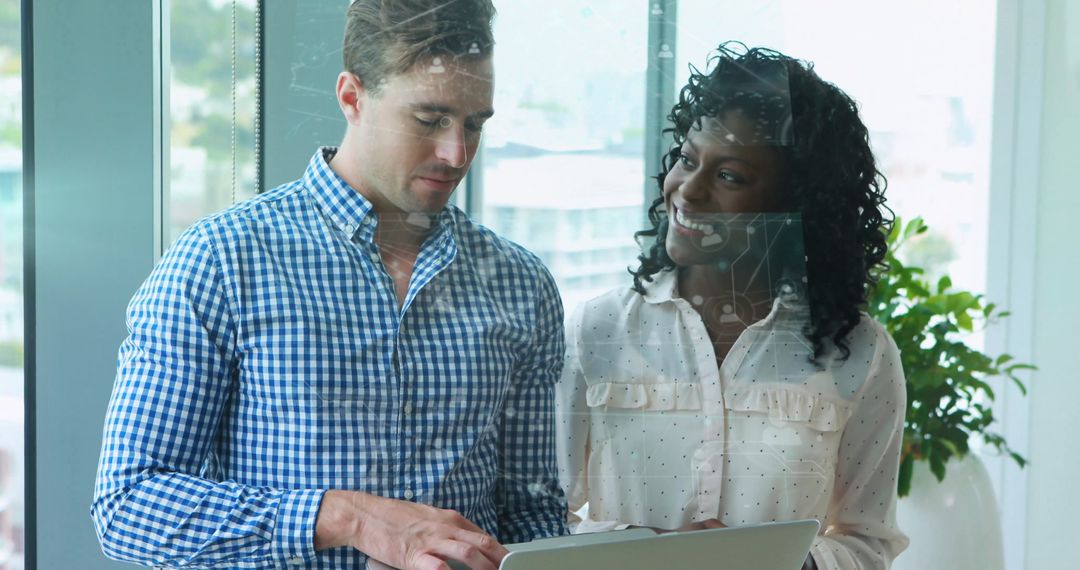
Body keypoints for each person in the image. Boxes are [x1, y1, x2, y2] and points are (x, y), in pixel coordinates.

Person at [91, 1, 568, 568]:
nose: (455, 153)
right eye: (429, 119)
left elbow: (533, 517)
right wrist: (349, 518)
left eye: (474, 124)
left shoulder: (522, 284)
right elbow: (127, 507)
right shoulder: (221, 260)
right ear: (352, 97)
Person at [556, 43, 910, 570]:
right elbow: (540, 514)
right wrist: (646, 550)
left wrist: (769, 563)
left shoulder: (861, 353)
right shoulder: (597, 329)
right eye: (687, 159)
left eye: (730, 176)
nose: (688, 191)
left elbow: (868, 540)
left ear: (795, 204)